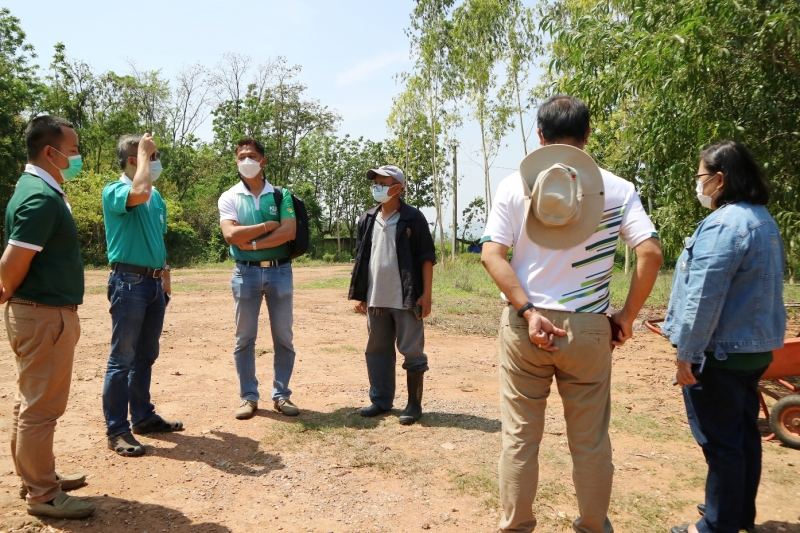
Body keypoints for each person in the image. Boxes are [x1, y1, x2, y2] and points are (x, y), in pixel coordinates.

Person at [480, 95, 663, 533]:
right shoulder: (617, 189)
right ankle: (594, 526)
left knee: (520, 438)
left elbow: (491, 255)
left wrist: (528, 312)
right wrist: (626, 317)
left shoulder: (514, 186)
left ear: (540, 136)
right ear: (587, 135)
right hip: (588, 328)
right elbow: (651, 253)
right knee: (590, 441)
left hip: (526, 327)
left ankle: (516, 526)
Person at [664, 142, 785, 533]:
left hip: (720, 354)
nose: (697, 184)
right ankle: (736, 514)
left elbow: (704, 296)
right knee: (744, 436)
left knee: (721, 444)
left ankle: (717, 525)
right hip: (754, 351)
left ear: (719, 179)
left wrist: (687, 353)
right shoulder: (763, 219)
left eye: (700, 176)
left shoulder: (724, 225)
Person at [0, 115, 95, 519]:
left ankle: (37, 476)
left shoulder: (40, 190)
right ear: (51, 152)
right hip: (43, 314)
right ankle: (42, 494)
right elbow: (12, 263)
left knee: (31, 402)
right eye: (73, 151)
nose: (77, 157)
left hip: (38, 313)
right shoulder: (41, 196)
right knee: (41, 408)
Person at [101, 133, 183, 457]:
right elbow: (140, 191)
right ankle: (117, 430)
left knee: (146, 355)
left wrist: (165, 273)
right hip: (129, 281)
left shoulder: (156, 197)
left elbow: (157, 238)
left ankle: (143, 417)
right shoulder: (116, 190)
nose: (157, 160)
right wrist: (146, 155)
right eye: (152, 155)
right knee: (122, 359)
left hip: (152, 284)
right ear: (134, 161)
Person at [218, 138, 300, 420]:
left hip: (280, 271)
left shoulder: (281, 195)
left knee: (284, 338)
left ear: (263, 161)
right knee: (244, 338)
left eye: (252, 156)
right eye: (241, 156)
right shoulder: (229, 196)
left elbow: (288, 231)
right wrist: (267, 226)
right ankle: (248, 397)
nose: (246, 161)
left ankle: (281, 395)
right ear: (235, 162)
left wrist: (251, 243)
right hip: (245, 273)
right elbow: (231, 235)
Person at [348, 165, 436, 425]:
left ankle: (413, 404)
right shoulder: (367, 218)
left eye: (383, 184)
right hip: (376, 298)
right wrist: (362, 294)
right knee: (377, 349)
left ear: (398, 188)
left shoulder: (413, 218)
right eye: (375, 183)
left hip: (406, 298)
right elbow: (362, 259)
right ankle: (381, 400)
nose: (377, 188)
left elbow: (426, 258)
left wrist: (426, 294)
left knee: (412, 351)